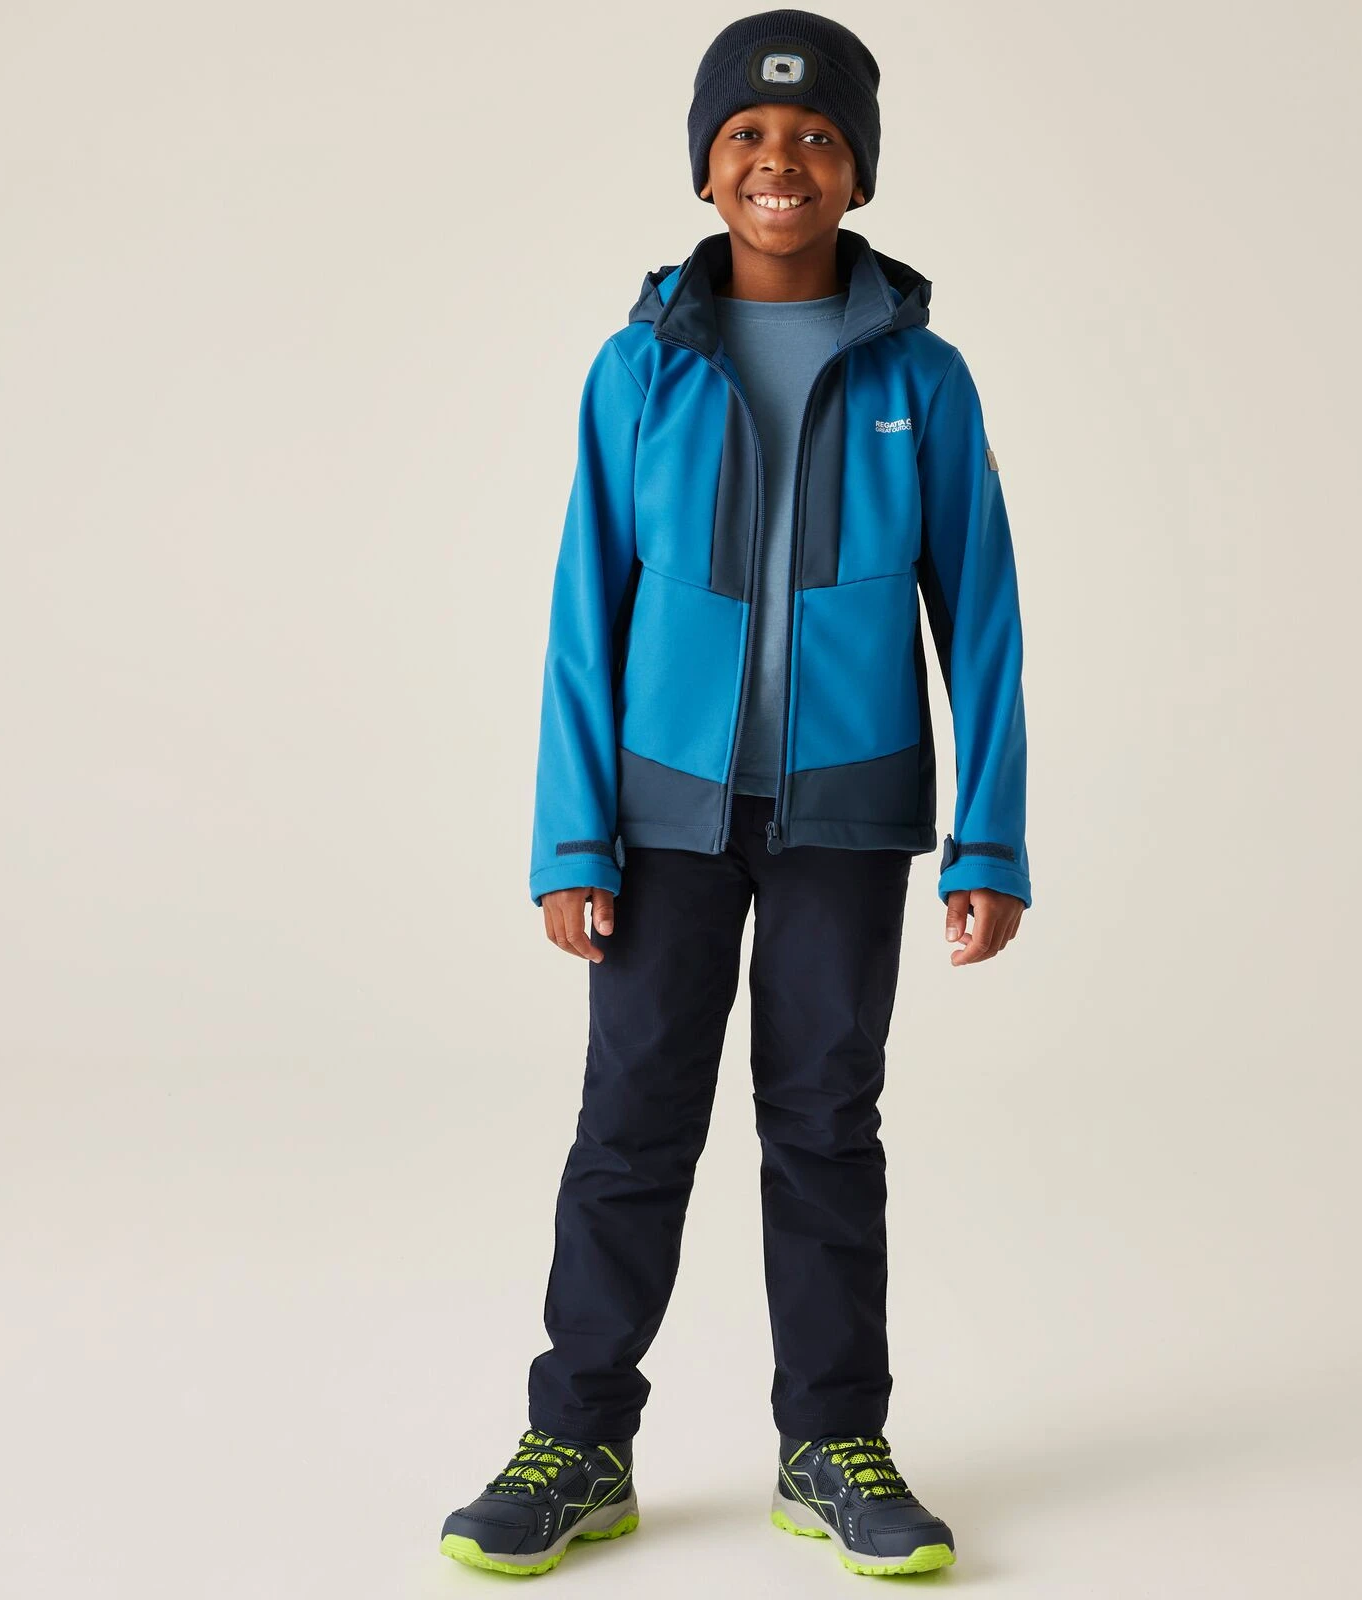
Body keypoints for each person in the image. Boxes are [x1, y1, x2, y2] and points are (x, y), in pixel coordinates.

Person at [441, 8, 1032, 1579]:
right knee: (631, 1123)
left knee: (826, 1125)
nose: (783, 161)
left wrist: (990, 836)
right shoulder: (638, 370)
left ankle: (832, 1442)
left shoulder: (926, 380)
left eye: (818, 137)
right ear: (707, 169)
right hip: (659, 822)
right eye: (749, 137)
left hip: (850, 813)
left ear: (860, 172)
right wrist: (571, 835)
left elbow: (981, 615)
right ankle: (579, 1441)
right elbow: (587, 613)